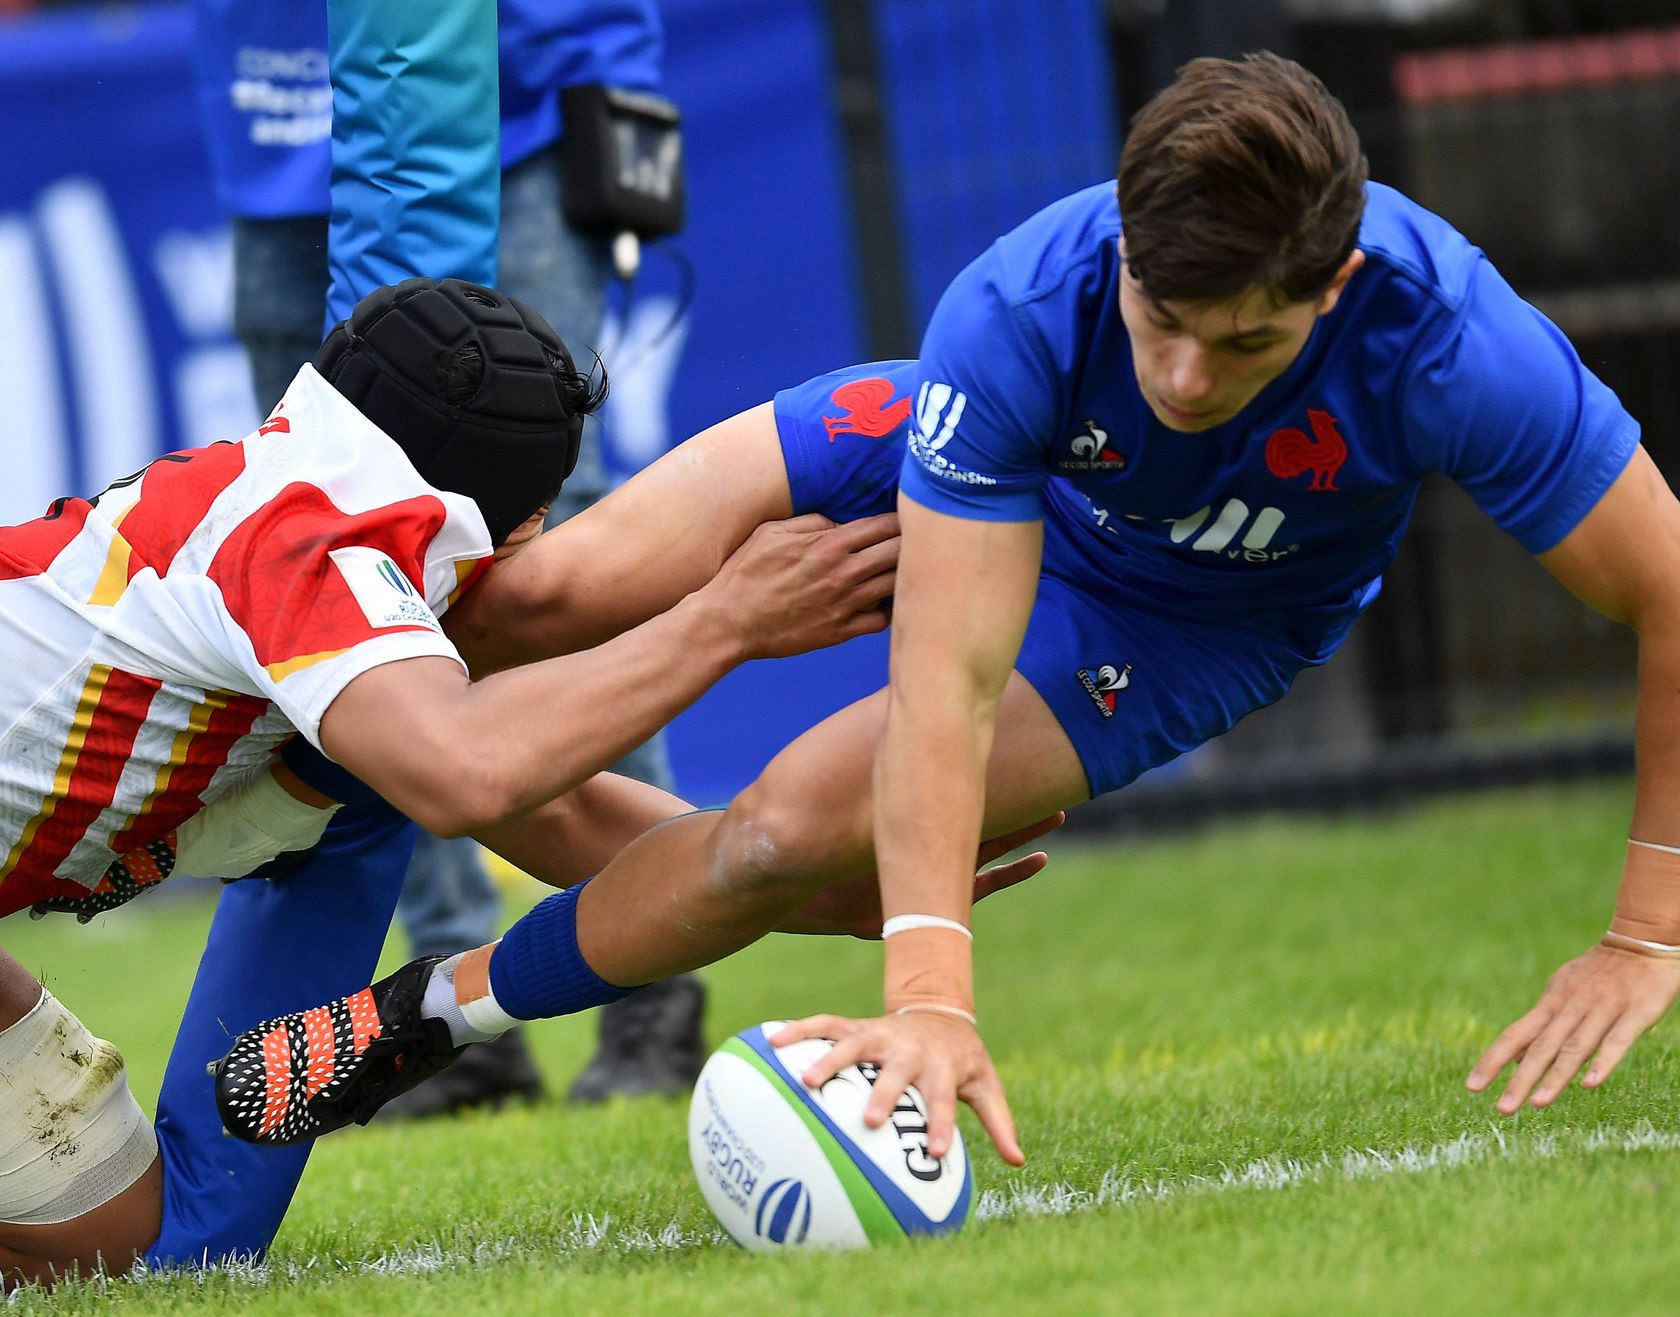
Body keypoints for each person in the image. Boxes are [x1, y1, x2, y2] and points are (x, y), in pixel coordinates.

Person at [215, 51, 1680, 1171]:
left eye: (1246, 345)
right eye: (1162, 322)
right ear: (1122, 243)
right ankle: (212, 757)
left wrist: (1647, 931)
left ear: (1337, 286)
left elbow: (1668, 592)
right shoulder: (1022, 309)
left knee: (784, 828)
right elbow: (946, 680)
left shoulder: (1454, 346)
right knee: (538, 596)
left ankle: (432, 1013)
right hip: (976, 446)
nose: (1184, 379)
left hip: (1195, 615)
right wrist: (927, 973)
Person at [0, 275, 902, 1288]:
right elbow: (472, 775)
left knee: (137, 1247)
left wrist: (815, 886)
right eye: (539, 525)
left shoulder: (298, 505)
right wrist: (726, 621)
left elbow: (559, 808)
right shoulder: (312, 544)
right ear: (505, 520)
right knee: (397, 761)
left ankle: (408, 994)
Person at [194, 0, 695, 1115]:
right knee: (321, 555)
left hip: (516, 120)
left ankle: (655, 972)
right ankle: (457, 1005)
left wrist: (618, 72)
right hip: (272, 143)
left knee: (538, 542)